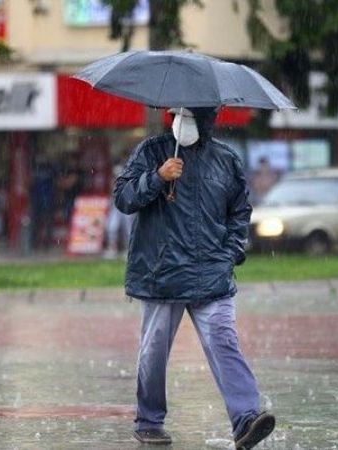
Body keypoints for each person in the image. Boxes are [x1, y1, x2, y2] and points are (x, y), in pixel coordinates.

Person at [114, 107, 275, 449]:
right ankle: (149, 421)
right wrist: (157, 177)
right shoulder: (151, 152)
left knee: (224, 342)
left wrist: (229, 254)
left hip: (211, 274)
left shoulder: (225, 160)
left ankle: (246, 418)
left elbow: (239, 212)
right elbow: (124, 198)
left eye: (190, 115)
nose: (182, 121)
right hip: (161, 274)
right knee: (153, 351)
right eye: (177, 113)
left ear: (207, 119)